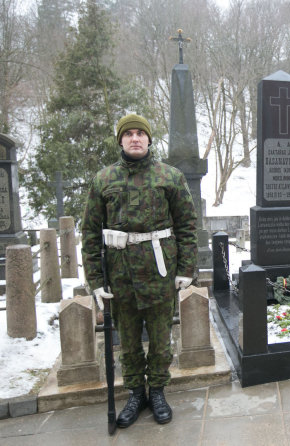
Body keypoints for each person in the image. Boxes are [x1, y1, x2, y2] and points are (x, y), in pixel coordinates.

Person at [81, 113, 197, 427]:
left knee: (160, 339)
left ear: (148, 139)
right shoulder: (104, 180)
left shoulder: (170, 176)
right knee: (128, 341)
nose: (135, 138)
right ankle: (136, 393)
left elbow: (187, 224)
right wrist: (94, 279)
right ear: (120, 140)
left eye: (140, 134)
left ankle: (157, 391)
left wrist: (186, 268)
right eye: (128, 134)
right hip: (120, 278)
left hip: (160, 274)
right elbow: (90, 233)